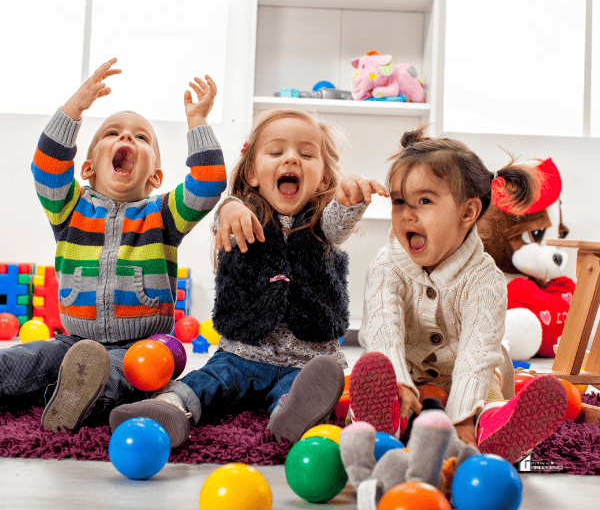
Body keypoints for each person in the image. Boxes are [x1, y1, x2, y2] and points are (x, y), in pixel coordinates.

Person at [110, 108, 388, 449]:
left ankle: (290, 415)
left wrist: (349, 199)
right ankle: (168, 408)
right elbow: (226, 219)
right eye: (276, 152)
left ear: (325, 179)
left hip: (305, 361)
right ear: (254, 173)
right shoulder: (242, 216)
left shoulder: (322, 226)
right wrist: (229, 206)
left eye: (305, 153)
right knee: (208, 381)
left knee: (300, 391)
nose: (291, 160)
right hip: (241, 354)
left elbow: (338, 221)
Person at [0, 58, 226, 433]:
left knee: (134, 371)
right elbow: (47, 165)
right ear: (87, 168)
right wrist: (75, 108)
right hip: (72, 342)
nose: (126, 139)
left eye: (141, 137)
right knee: (27, 359)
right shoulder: (68, 207)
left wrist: (198, 122)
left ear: (155, 176)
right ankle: (58, 387)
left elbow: (207, 184)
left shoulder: (164, 214)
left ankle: (81, 398)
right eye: (112, 133)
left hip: (141, 344)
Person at [349, 126, 567, 465]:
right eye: (398, 201)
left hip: (470, 376)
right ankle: (386, 421)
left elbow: (476, 355)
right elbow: (382, 329)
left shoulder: (485, 280)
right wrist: (399, 381)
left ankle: (494, 429)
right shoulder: (387, 266)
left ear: (468, 213)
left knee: (488, 393)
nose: (407, 213)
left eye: (424, 201)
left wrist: (462, 418)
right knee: (376, 371)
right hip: (409, 370)